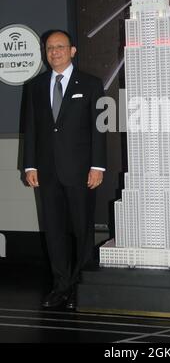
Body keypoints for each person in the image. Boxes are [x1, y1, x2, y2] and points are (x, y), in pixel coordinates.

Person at [24, 30, 106, 310]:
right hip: (47, 173)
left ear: (72, 51)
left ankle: (80, 288)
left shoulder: (92, 84)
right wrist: (30, 164)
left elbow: (99, 129)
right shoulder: (35, 86)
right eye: (49, 48)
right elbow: (32, 128)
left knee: (83, 231)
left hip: (81, 172)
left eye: (60, 47)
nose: (54, 52)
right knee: (54, 231)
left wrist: (97, 166)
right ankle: (61, 287)